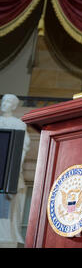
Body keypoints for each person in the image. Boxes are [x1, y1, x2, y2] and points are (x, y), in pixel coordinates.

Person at [0, 94, 30, 246]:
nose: (5, 104)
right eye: (4, 101)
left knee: (7, 202)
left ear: (14, 106)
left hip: (7, 169)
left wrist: (14, 168)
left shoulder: (18, 124)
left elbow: (22, 147)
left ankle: (5, 234)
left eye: (9, 102)